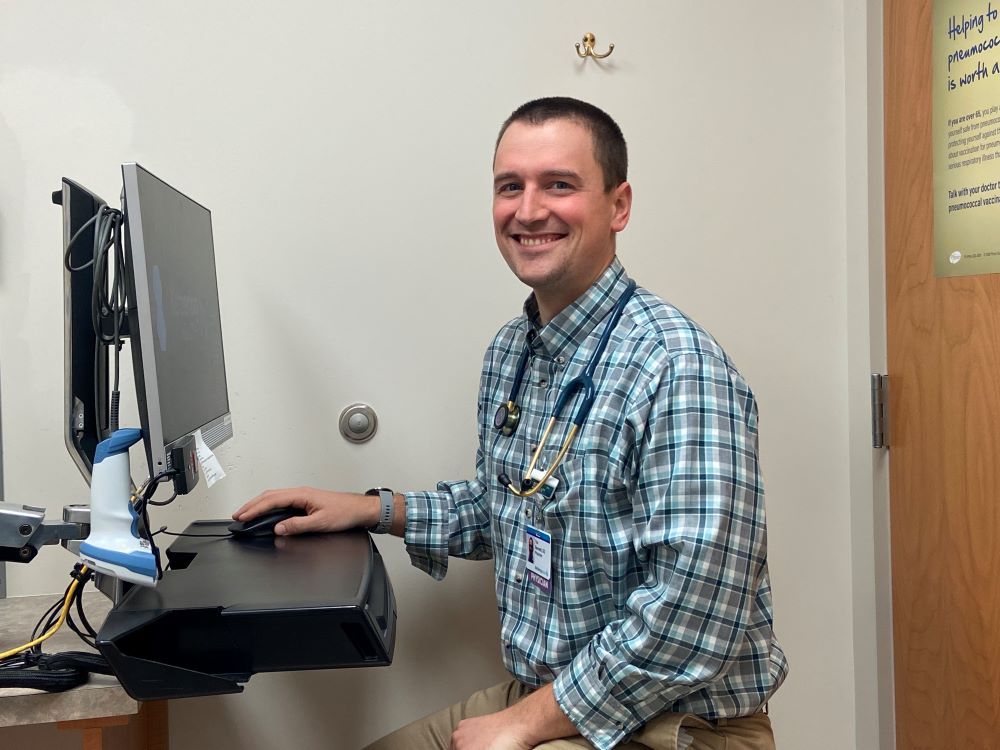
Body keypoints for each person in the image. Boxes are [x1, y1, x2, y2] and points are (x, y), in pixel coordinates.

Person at [233, 97, 788, 750]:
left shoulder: (678, 369)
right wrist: (373, 509)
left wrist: (523, 725)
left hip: (674, 725)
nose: (528, 211)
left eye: (559, 185)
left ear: (619, 205)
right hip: (548, 697)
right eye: (509, 187)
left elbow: (690, 620)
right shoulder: (513, 352)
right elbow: (508, 504)